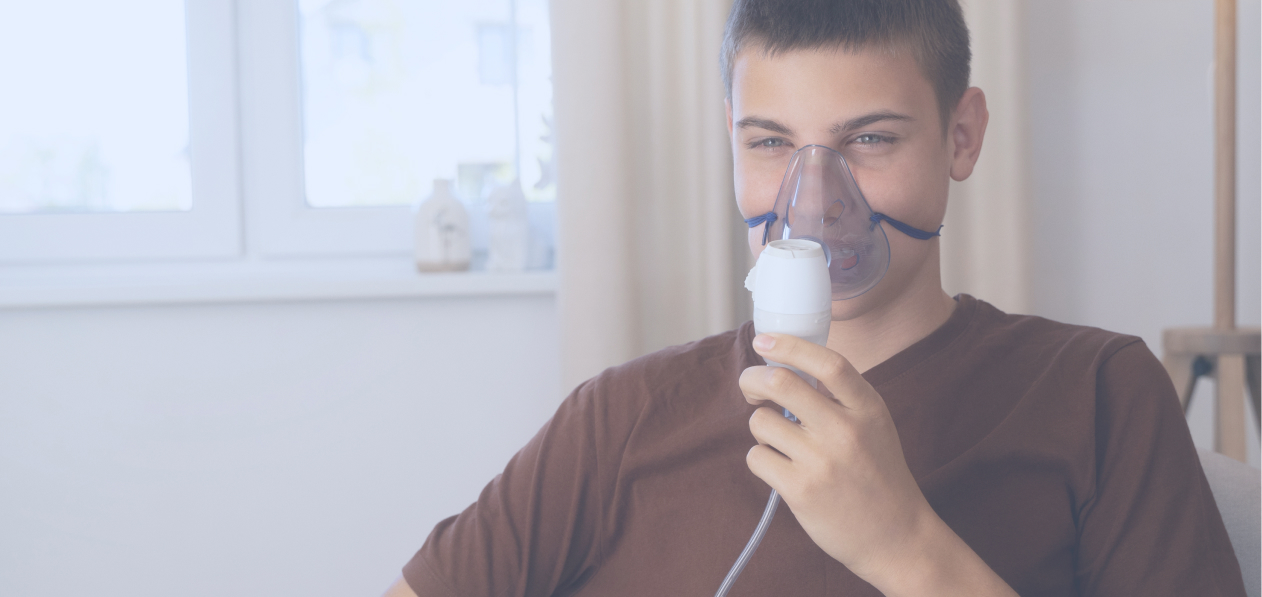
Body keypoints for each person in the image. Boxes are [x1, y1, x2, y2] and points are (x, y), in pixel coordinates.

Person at [384, 1, 1247, 595]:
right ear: (732, 144)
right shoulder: (620, 421)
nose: (816, 197)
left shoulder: (1095, 394)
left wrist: (905, 545)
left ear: (961, 135)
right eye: (772, 143)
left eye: (868, 138)